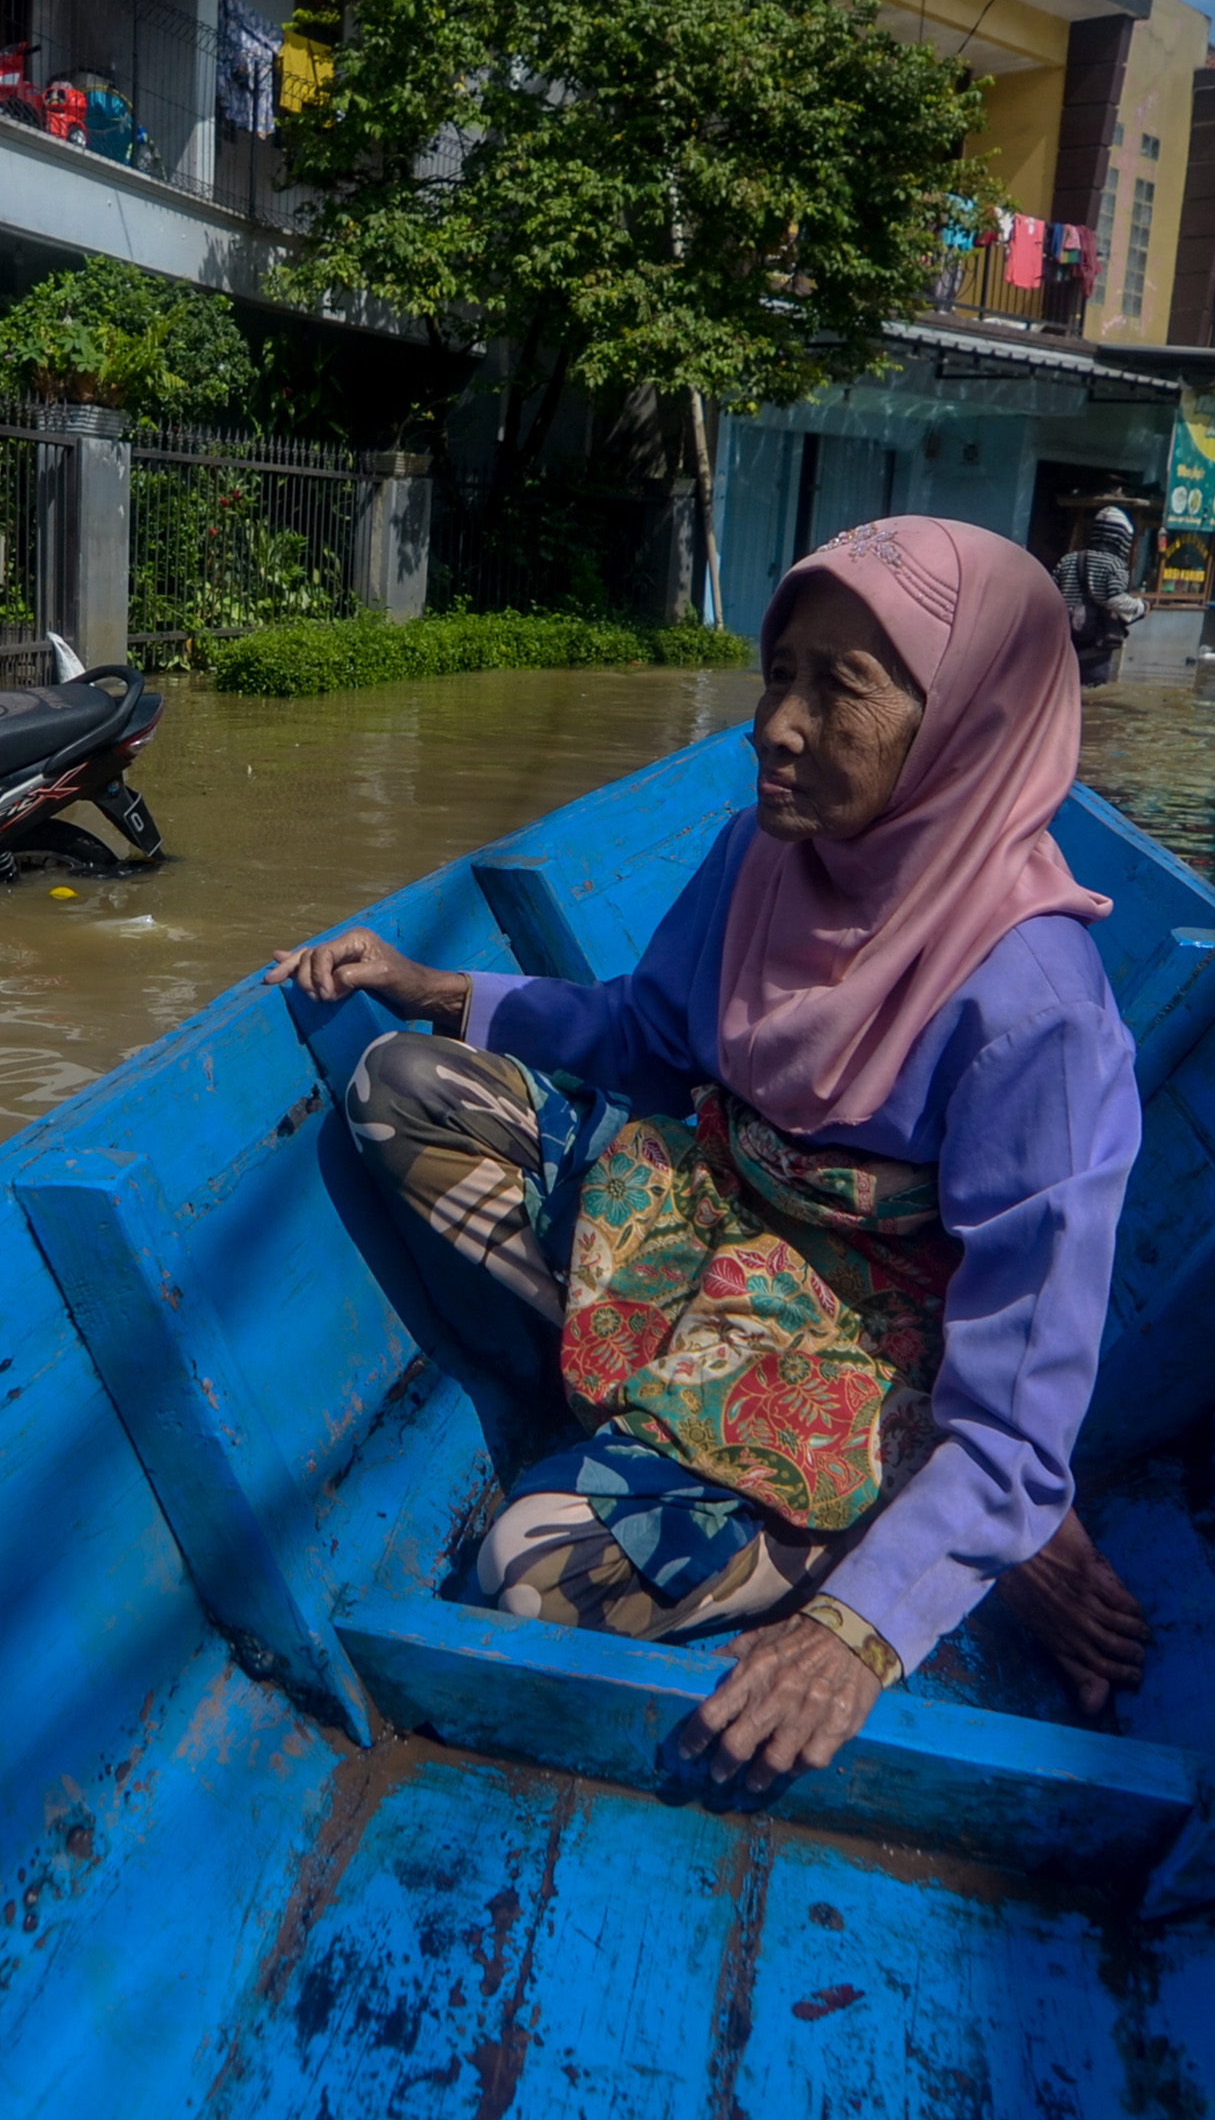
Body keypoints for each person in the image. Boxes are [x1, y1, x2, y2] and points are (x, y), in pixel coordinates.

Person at [265, 516, 1150, 1794]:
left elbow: (1021, 1399)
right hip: (714, 1219)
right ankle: (662, 1418)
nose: (775, 727)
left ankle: (893, 1514)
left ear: (966, 722)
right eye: (778, 674)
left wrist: (858, 1630)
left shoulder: (1037, 1015)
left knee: (526, 1571)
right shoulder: (764, 854)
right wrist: (438, 988)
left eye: (838, 686)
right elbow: (647, 1035)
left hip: (870, 1357)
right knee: (399, 1087)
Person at [1054, 504, 1149, 687]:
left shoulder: (1068, 559)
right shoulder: (1115, 565)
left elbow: (1051, 592)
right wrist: (1142, 606)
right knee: (1089, 690)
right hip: (1094, 643)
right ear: (1121, 538)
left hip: (1063, 637)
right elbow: (1116, 600)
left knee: (1062, 687)